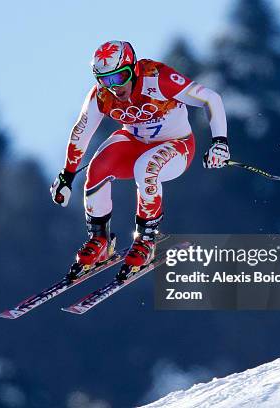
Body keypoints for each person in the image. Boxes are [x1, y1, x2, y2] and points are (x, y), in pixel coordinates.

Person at [50, 40, 229, 280]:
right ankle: (100, 240)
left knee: (146, 167)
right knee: (98, 167)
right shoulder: (101, 96)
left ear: (133, 68)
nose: (115, 87)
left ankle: (146, 239)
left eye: (120, 76)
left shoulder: (157, 78)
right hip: (134, 143)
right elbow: (81, 131)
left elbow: (211, 99)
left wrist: (220, 142)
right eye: (106, 80)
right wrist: (67, 176)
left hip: (176, 146)